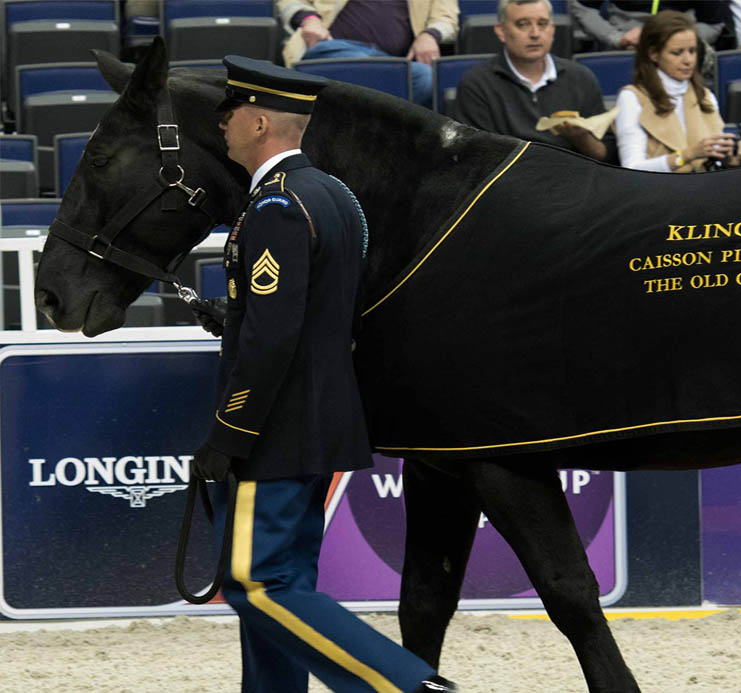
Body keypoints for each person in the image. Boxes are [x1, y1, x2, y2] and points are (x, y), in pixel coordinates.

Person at [189, 55, 455, 693]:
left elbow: (273, 338)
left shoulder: (276, 206)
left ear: (258, 123)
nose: (221, 124)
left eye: (230, 113)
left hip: (274, 428)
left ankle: (409, 686)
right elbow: (319, 306)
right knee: (285, 584)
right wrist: (237, 312)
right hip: (319, 421)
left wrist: (229, 433)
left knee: (257, 584)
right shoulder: (335, 196)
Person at [453, 0, 612, 161]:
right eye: (523, 24)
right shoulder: (477, 84)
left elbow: (606, 156)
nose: (535, 33)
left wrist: (581, 138)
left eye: (542, 24)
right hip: (508, 181)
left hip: (571, 178)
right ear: (501, 31)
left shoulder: (581, 77)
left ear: (552, 29)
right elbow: (475, 157)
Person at [614, 10, 741, 172]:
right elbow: (632, 168)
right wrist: (687, 155)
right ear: (654, 54)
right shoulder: (632, 98)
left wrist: (730, 162)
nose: (688, 60)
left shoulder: (705, 96)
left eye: (692, 51)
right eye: (677, 53)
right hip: (660, 192)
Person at [275, 0, 460, 108]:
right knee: (325, 54)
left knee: (427, 78)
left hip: (400, 61)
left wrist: (430, 35)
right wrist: (309, 20)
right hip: (331, 50)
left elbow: (447, 18)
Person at [570, 0, 731, 51]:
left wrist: (669, 37)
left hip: (678, 44)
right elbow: (582, 6)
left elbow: (713, 24)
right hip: (625, 45)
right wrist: (615, 37)